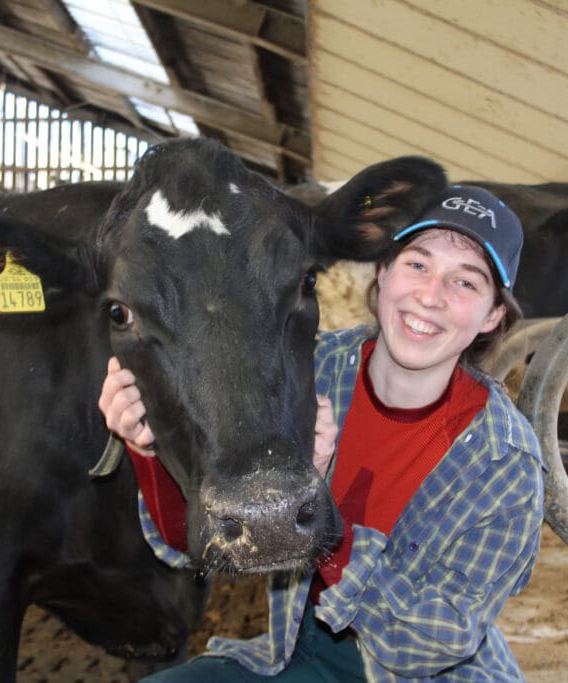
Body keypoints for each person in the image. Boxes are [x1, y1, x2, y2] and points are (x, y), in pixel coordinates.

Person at [99, 184, 545, 681]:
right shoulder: (307, 369)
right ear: (383, 272)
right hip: (296, 648)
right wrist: (147, 448)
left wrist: (322, 521)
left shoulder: (505, 462)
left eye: (466, 282)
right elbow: (187, 543)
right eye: (417, 264)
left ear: (493, 316)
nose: (430, 295)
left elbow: (430, 645)